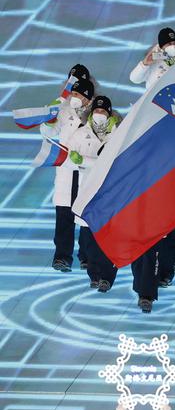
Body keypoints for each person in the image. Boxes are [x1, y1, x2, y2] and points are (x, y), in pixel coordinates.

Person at [65, 95, 121, 291]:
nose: (99, 114)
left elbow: (110, 165)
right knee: (89, 239)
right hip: (87, 192)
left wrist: (85, 161)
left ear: (109, 113)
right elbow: (70, 158)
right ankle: (95, 275)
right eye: (96, 110)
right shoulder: (81, 134)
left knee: (107, 236)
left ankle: (107, 276)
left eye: (103, 111)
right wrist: (76, 159)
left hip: (109, 194)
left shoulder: (118, 134)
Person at [44, 78, 95, 272]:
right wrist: (48, 119)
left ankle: (86, 256)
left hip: (85, 171)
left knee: (84, 214)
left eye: (80, 94)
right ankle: (62, 256)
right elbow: (47, 131)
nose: (75, 97)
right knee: (64, 214)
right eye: (74, 93)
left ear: (88, 98)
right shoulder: (63, 111)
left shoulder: (96, 113)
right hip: (66, 170)